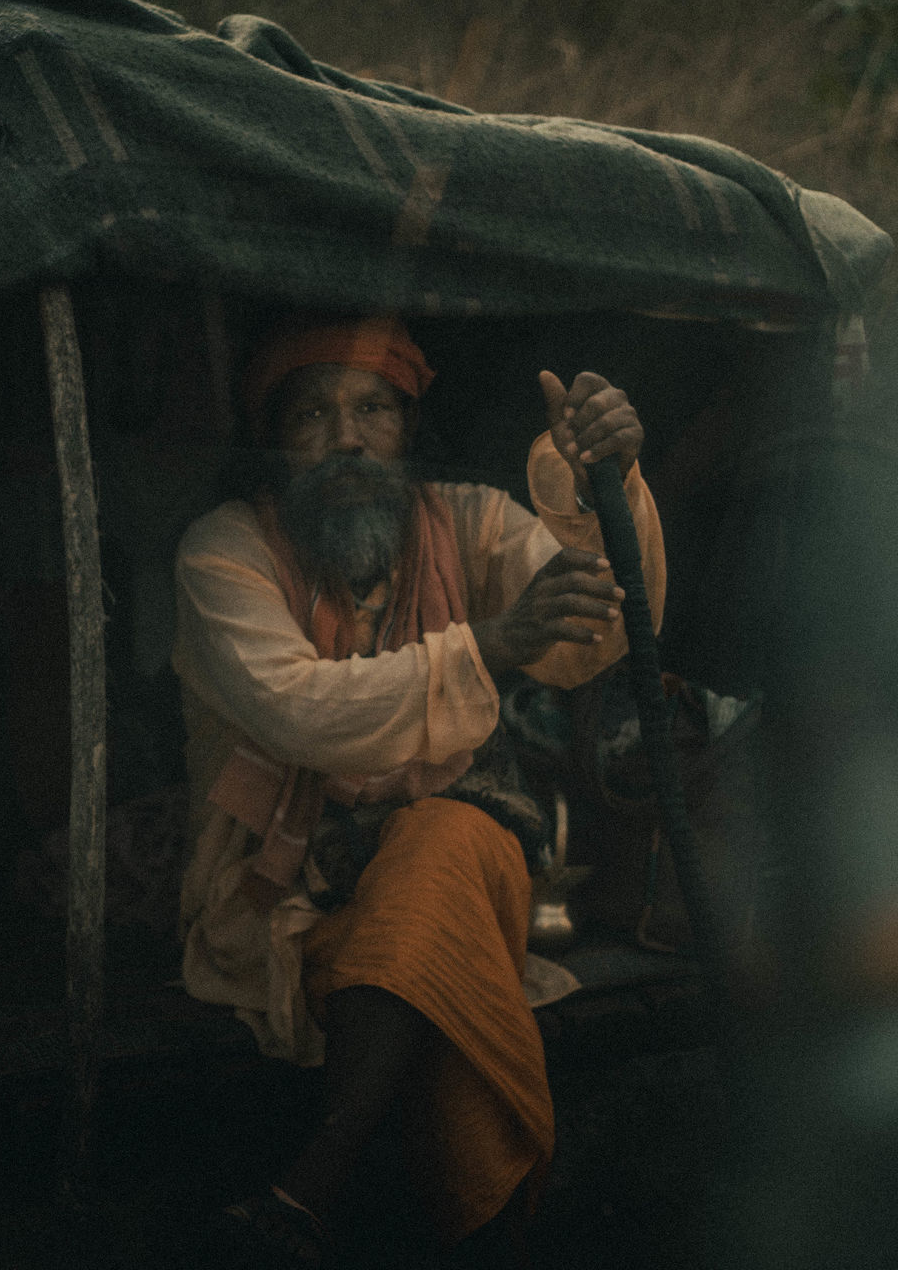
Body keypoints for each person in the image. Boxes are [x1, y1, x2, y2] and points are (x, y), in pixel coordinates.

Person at [172, 315, 666, 1268]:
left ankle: (310, 1185)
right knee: (437, 939)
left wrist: (603, 483)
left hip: (457, 866)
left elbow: (597, 626)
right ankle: (481, 1232)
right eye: (313, 414)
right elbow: (302, 712)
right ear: (275, 438)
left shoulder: (470, 522)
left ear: (409, 428)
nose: (348, 438)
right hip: (286, 899)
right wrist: (490, 644)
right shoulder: (225, 550)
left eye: (374, 410)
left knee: (446, 838)